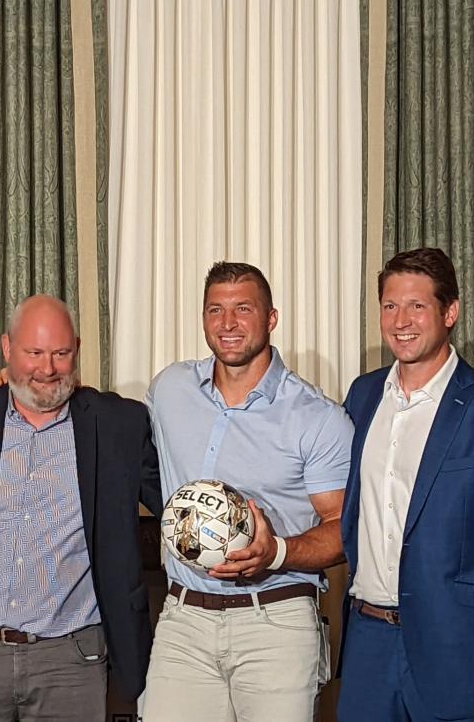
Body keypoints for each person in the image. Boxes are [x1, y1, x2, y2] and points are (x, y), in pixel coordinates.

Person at [0, 294, 162, 721]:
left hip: (73, 658)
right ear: (6, 349)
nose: (47, 368)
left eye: (60, 353)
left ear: (77, 350)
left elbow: (174, 502)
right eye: (33, 353)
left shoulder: (118, 425)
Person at [141, 261, 354, 721]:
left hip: (275, 623)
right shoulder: (170, 389)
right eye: (215, 309)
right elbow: (110, 430)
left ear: (271, 318)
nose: (228, 323)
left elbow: (342, 530)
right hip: (183, 620)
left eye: (243, 309)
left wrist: (275, 552)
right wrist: (19, 387)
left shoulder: (317, 417)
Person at [338, 247, 474, 721]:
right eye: (390, 305)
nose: (401, 320)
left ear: (449, 312)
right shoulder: (363, 394)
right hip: (369, 640)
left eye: (417, 306)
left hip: (461, 645)